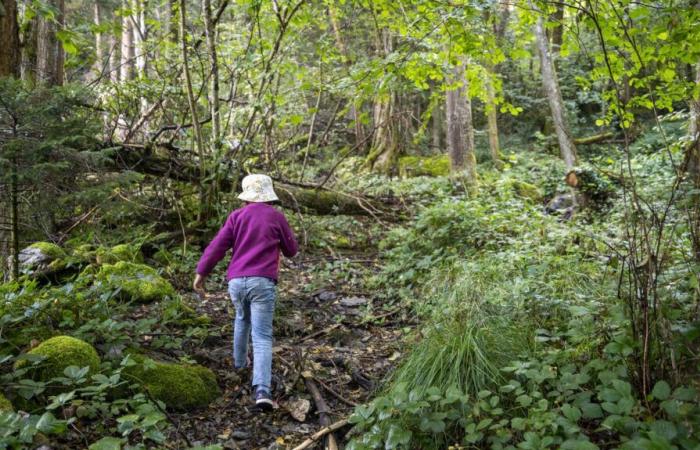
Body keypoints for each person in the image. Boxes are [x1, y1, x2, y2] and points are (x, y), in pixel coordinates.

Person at [193, 174, 298, 410]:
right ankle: (262, 389)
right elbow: (292, 250)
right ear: (269, 195)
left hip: (236, 282)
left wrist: (201, 273)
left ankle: (239, 365)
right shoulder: (276, 217)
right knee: (261, 336)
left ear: (246, 196)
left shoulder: (236, 217)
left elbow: (217, 247)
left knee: (242, 319)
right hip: (262, 282)